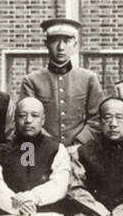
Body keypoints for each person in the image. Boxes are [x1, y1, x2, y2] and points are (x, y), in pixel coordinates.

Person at [18, 17, 103, 147]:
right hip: (42, 148)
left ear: (75, 44)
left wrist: (78, 143)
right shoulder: (31, 81)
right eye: (54, 41)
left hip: (80, 150)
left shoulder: (89, 78)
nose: (61, 47)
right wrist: (51, 146)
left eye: (67, 41)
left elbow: (97, 119)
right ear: (46, 44)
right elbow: (27, 120)